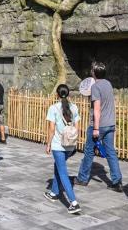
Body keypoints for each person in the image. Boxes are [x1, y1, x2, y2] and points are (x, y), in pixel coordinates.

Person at [75, 62, 123, 192]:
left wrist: (95, 128)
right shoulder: (108, 84)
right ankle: (117, 181)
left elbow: (97, 109)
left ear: (94, 73)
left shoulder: (96, 87)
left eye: (91, 70)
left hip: (98, 125)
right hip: (110, 124)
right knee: (111, 152)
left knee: (89, 152)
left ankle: (82, 178)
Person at [44, 84, 82, 214]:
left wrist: (48, 144)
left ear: (57, 95)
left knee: (63, 173)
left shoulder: (53, 108)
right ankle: (54, 192)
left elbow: (51, 129)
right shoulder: (74, 107)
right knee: (58, 167)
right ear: (69, 94)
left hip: (58, 145)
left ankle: (73, 202)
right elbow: (77, 128)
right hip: (70, 145)